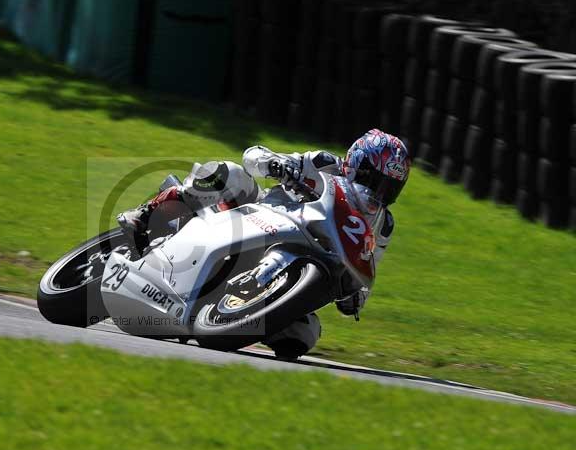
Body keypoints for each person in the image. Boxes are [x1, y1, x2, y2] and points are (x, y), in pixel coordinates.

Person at [117, 128, 410, 357]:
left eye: (390, 187)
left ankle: (227, 318)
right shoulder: (325, 164)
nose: (380, 192)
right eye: (376, 180)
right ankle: (146, 215)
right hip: (259, 216)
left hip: (305, 263)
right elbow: (252, 155)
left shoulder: (383, 225)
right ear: (357, 165)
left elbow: (367, 267)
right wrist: (277, 164)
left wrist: (356, 296)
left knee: (303, 335)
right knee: (230, 174)